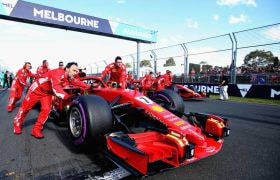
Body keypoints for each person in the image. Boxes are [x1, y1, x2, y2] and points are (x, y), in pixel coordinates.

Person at [13, 62, 91, 138]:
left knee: (46, 110)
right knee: (25, 107)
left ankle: (36, 129)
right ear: (67, 69)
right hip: (37, 89)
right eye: (74, 70)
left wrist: (88, 86)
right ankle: (17, 123)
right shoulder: (58, 73)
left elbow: (76, 82)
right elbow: (56, 88)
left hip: (47, 92)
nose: (75, 73)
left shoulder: (69, 76)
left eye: (77, 71)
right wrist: (67, 97)